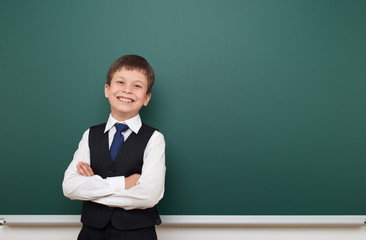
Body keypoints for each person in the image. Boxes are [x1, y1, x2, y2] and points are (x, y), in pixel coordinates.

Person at [62, 54, 166, 240]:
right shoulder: (90, 135)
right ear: (107, 90)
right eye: (120, 82)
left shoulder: (154, 139)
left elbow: (149, 195)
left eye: (137, 86)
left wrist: (91, 189)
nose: (127, 90)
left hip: (137, 235)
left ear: (147, 98)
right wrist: (125, 183)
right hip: (90, 234)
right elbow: (70, 187)